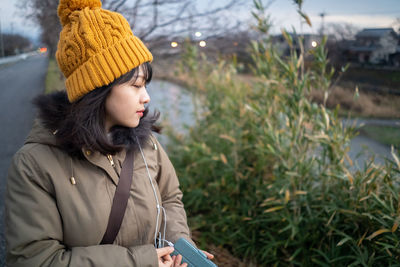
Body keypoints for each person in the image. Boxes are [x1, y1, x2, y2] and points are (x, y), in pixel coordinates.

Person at [4, 0, 214, 266]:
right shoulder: (34, 165)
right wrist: (140, 261)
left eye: (146, 84)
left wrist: (178, 247)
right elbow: (35, 260)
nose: (147, 97)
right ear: (98, 89)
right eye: (136, 85)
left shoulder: (146, 144)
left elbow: (170, 199)